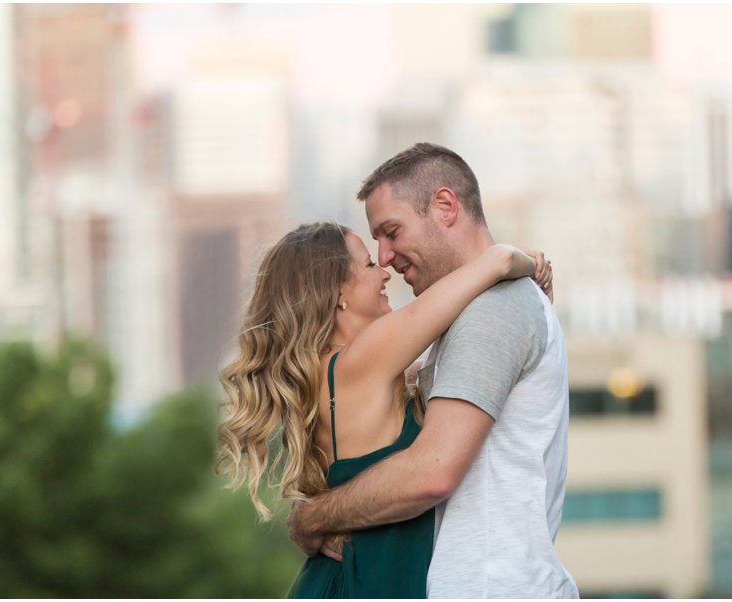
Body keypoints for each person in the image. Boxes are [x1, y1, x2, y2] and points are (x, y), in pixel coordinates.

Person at [286, 143, 579, 598]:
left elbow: (432, 472)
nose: (384, 258)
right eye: (374, 246)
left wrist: (315, 516)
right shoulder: (468, 315)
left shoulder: (492, 310)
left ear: (444, 206)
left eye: (392, 231)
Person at [218, 219, 552, 598]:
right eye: (368, 265)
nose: (385, 273)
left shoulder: (333, 370)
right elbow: (500, 259)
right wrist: (531, 261)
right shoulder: (364, 358)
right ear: (337, 291)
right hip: (373, 581)